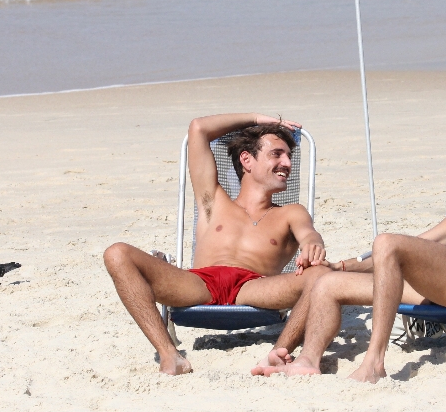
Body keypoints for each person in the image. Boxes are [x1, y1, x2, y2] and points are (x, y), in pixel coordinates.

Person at [253, 118, 446, 383]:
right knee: (327, 283)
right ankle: (308, 360)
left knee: (387, 241)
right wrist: (339, 267)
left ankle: (374, 363)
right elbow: (409, 250)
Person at [104, 113, 331, 375]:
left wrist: (312, 244)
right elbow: (198, 128)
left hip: (254, 287)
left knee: (321, 273)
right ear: (246, 159)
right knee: (117, 253)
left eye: (289, 156)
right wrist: (258, 120)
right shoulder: (213, 199)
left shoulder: (291, 212)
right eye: (277, 154)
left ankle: (277, 354)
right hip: (199, 284)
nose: (287, 163)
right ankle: (170, 355)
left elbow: (309, 234)